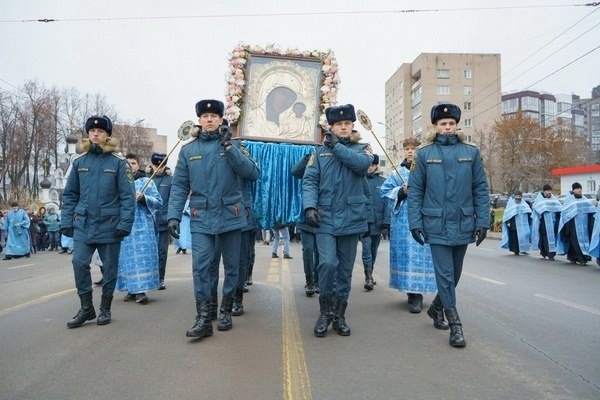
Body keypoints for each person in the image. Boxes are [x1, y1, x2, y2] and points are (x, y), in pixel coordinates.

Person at [167, 99, 260, 339]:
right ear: (199, 120)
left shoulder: (234, 146)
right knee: (201, 268)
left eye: (214, 116)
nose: (209, 119)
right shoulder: (189, 150)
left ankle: (226, 310)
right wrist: (173, 216)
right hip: (201, 217)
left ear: (221, 119)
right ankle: (203, 317)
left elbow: (252, 173)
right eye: (205, 116)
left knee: (231, 267)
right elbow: (179, 186)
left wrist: (229, 147)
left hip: (231, 216)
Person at [407, 103, 489, 348]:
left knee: (455, 275)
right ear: (435, 126)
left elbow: (480, 189)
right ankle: (455, 325)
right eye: (443, 124)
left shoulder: (470, 152)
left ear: (457, 125)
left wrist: (483, 221)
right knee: (444, 274)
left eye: (452, 123)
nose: (448, 127)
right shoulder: (424, 154)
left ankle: (435, 308)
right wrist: (415, 222)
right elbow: (416, 191)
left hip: (463, 222)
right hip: (435, 223)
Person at [302, 103, 374, 337]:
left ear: (352, 125)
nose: (343, 127)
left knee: (344, 270)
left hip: (352, 218)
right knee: (328, 264)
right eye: (338, 124)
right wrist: (310, 206)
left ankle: (339, 314)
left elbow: (362, 166)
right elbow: (310, 181)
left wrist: (337, 147)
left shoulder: (363, 148)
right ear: (330, 127)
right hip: (326, 218)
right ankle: (325, 311)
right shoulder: (319, 153)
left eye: (347, 124)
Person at [61, 115, 135, 328]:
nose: (95, 134)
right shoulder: (79, 162)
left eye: (101, 131)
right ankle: (86, 308)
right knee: (78, 263)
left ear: (107, 135)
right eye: (92, 131)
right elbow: (70, 195)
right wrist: (67, 220)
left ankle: (105, 308)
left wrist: (124, 224)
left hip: (110, 225)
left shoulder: (118, 163)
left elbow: (127, 197)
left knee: (110, 268)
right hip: (83, 224)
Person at [381, 138, 438, 314]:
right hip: (403, 223)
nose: (411, 151)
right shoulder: (396, 173)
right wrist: (401, 191)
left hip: (424, 220)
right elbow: (384, 192)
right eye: (407, 149)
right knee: (407, 257)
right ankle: (412, 294)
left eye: (414, 148)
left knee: (424, 255)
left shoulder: (429, 171)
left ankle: (419, 291)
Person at [116, 153, 162, 304]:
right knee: (125, 260)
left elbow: (158, 201)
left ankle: (140, 291)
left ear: (138, 165)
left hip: (143, 226)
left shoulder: (146, 182)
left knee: (141, 259)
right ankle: (131, 289)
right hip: (124, 226)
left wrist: (143, 199)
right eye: (127, 163)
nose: (130, 166)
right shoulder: (118, 181)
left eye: (133, 163)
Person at [291, 152, 319, 297]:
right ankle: (309, 281)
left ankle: (318, 279)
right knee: (308, 251)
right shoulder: (308, 167)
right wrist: (307, 158)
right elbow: (294, 171)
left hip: (323, 216)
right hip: (305, 217)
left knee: (321, 253)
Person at [360, 154, 387, 291]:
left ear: (376, 166)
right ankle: (368, 276)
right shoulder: (360, 180)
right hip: (364, 223)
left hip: (378, 223)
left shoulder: (383, 182)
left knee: (373, 250)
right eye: (369, 165)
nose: (370, 168)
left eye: (373, 165)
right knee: (366, 250)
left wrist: (386, 222)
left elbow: (387, 202)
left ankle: (370, 272)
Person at [146, 152, 173, 290]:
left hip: (163, 220)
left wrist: (171, 219)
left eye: (161, 165)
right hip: (147, 220)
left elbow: (173, 200)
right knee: (148, 251)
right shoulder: (145, 179)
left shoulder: (170, 180)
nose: (158, 168)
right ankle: (148, 278)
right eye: (156, 165)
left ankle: (160, 278)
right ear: (151, 164)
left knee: (162, 251)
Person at [557, 182, 595, 265]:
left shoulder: (585, 200)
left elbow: (592, 211)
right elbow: (565, 213)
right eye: (577, 189)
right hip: (573, 225)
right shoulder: (569, 201)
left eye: (580, 188)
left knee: (581, 241)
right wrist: (567, 228)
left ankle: (572, 257)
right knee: (575, 242)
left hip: (585, 225)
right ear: (573, 190)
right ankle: (581, 258)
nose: (579, 190)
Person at [531, 184, 561, 260]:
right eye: (547, 191)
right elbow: (536, 211)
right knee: (545, 238)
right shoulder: (539, 200)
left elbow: (559, 209)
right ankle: (548, 253)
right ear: (544, 191)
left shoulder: (554, 200)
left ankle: (551, 252)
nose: (549, 192)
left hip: (553, 223)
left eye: (550, 190)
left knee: (552, 238)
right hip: (543, 223)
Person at [501, 191, 532, 256]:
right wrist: (508, 222)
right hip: (514, 224)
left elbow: (528, 212)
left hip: (523, 225)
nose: (518, 197)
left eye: (519, 196)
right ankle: (516, 250)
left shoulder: (524, 204)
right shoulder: (510, 204)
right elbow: (508, 214)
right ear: (515, 196)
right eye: (517, 196)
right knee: (515, 238)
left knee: (523, 237)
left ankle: (523, 249)